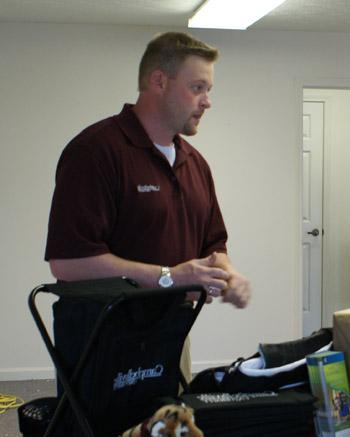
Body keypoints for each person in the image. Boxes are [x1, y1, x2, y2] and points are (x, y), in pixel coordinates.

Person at [45, 32, 251, 381]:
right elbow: (67, 263)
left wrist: (227, 274)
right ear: (159, 81)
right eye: (197, 87)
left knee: (173, 434)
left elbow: (213, 247)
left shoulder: (194, 164)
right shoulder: (95, 152)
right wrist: (170, 277)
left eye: (209, 90)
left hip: (171, 334)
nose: (207, 102)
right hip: (103, 339)